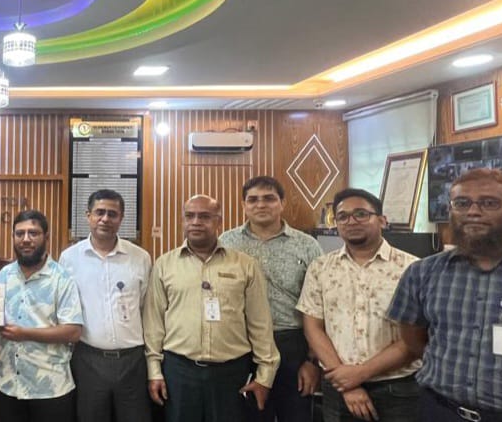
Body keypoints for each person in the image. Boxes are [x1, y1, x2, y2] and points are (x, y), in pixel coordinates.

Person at [386, 168, 502, 421]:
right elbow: (413, 338)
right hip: (441, 411)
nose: (473, 212)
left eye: (489, 203)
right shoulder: (421, 273)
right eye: (462, 203)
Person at [143, 195, 280, 422]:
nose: (196, 222)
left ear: (219, 221)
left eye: (205, 216)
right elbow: (153, 323)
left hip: (231, 373)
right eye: (190, 216)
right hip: (179, 371)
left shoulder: (245, 265)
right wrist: (154, 371)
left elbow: (260, 323)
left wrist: (265, 375)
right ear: (183, 220)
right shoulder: (164, 265)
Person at [296, 188, 421, 421]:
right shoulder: (321, 268)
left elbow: (417, 338)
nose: (351, 221)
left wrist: (359, 374)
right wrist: (346, 383)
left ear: (382, 220)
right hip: (338, 388)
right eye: (342, 216)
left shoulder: (413, 269)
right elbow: (313, 327)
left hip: (398, 389)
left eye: (361, 214)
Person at [219, 176, 324, 422]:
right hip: (241, 345)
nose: (261, 205)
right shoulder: (226, 243)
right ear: (244, 205)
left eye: (269, 198)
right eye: (253, 200)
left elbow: (320, 304)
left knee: (296, 415)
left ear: (282, 203)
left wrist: (312, 361)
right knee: (248, 416)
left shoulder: (307, 245)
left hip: (292, 344)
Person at [58, 189, 152, 422]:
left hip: (133, 361)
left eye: (112, 214)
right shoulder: (69, 259)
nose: (105, 219)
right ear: (88, 215)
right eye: (99, 212)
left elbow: (145, 307)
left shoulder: (140, 257)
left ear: (121, 218)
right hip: (88, 359)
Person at [0, 210, 84, 422]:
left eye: (33, 233)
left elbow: (73, 331)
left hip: (50, 389)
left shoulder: (62, 278)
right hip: (9, 385)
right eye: (20, 233)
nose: (26, 239)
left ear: (46, 237)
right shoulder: (4, 275)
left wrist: (24, 333)